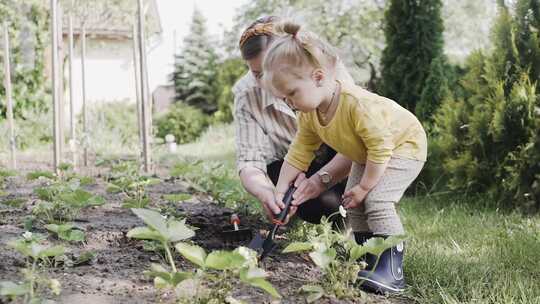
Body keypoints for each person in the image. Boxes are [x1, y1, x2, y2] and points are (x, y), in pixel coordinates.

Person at [261, 20, 428, 294]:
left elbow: (381, 147)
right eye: (284, 97)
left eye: (292, 93)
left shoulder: (355, 104)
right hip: (371, 154)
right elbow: (299, 152)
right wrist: (281, 190)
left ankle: (392, 270)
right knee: (351, 203)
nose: (289, 102)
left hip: (403, 146)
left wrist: (365, 186)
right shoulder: (310, 114)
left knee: (376, 199)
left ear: (317, 77)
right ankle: (367, 259)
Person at [233, 16, 353, 224]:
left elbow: (357, 142)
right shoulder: (246, 96)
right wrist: (267, 192)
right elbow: (250, 161)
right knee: (321, 207)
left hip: (342, 156)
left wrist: (319, 181)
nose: (270, 84)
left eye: (275, 71)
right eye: (258, 74)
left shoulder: (326, 70)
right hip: (293, 164)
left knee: (351, 201)